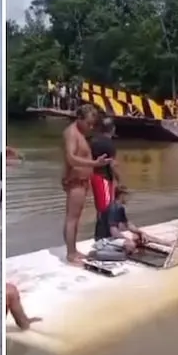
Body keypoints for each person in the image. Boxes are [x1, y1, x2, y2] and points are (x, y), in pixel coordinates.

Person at [61, 104, 110, 265]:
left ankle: (73, 250)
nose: (90, 127)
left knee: (76, 218)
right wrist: (94, 163)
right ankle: (70, 254)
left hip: (82, 181)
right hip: (75, 181)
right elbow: (71, 158)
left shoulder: (80, 133)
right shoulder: (72, 133)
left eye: (92, 124)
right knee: (72, 219)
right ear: (79, 119)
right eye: (88, 123)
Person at [93, 185, 169, 256]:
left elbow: (128, 225)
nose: (128, 199)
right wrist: (127, 240)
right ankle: (121, 251)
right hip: (103, 240)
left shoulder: (120, 208)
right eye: (127, 196)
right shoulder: (114, 208)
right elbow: (114, 231)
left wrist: (140, 232)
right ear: (122, 195)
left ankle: (165, 243)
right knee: (131, 244)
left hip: (111, 237)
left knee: (140, 236)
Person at [89, 116, 120, 215]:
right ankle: (104, 230)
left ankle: (100, 229)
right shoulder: (109, 144)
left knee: (100, 209)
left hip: (94, 176)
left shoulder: (93, 140)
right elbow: (112, 165)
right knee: (106, 209)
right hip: (104, 178)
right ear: (113, 129)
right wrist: (119, 178)